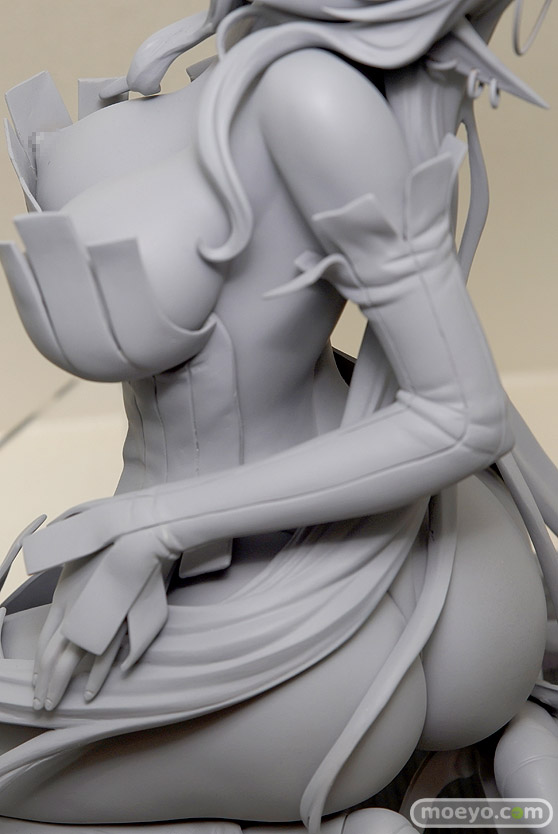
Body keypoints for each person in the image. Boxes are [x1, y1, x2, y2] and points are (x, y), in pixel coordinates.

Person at [0, 0, 555, 829]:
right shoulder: (251, 60)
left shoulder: (312, 96)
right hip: (307, 584)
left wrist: (154, 525)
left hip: (305, 617)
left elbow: (462, 413)